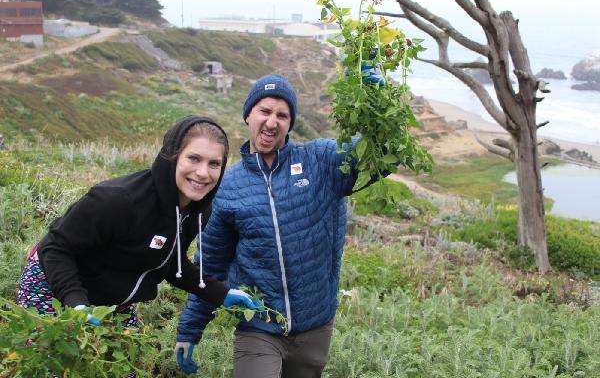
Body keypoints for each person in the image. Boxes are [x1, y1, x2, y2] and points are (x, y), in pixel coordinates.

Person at [175, 74, 385, 377]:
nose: (272, 122)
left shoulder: (321, 159)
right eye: (264, 111)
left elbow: (375, 156)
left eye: (282, 115)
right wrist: (190, 330)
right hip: (258, 324)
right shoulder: (227, 185)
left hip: (315, 326)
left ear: (290, 123)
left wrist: (374, 102)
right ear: (248, 114)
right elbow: (211, 264)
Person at [16, 116, 258, 329]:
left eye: (214, 163)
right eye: (194, 158)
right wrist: (76, 303)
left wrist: (221, 293)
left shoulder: (197, 212)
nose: (203, 173)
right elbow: (57, 248)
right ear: (172, 156)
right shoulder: (119, 200)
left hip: (112, 303)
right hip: (54, 285)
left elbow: (170, 262)